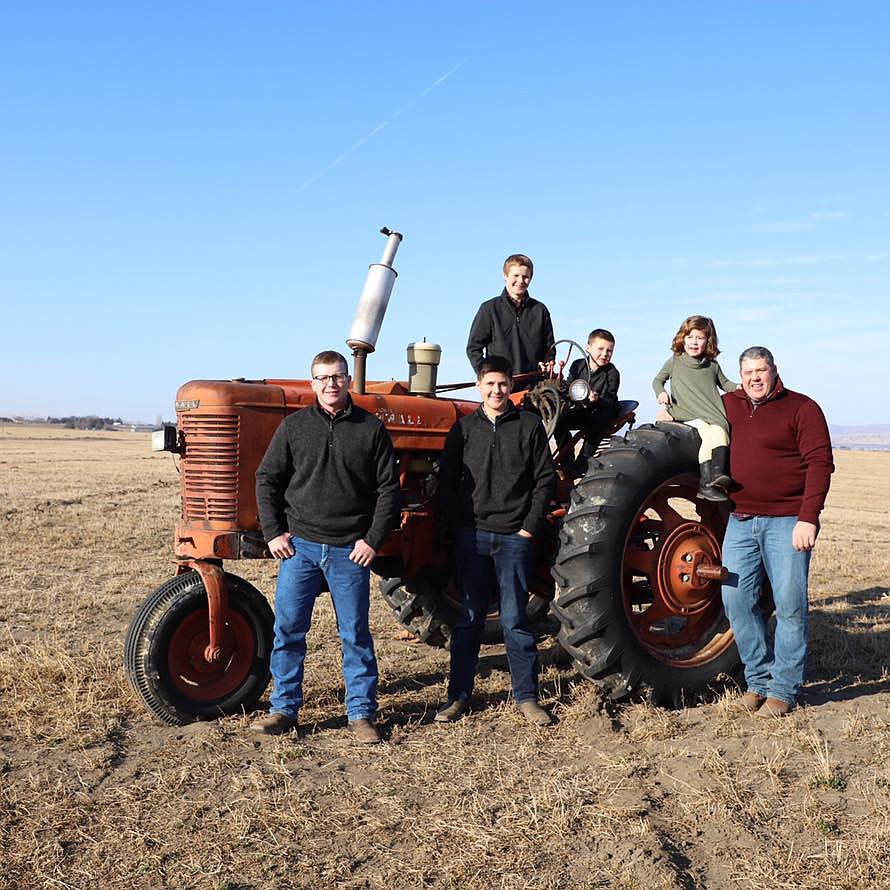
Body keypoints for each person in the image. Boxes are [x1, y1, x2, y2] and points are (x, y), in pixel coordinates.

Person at [252, 350, 400, 743]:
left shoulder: (370, 428)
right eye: (323, 377)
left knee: (354, 634)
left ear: (348, 380)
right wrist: (273, 532)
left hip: (349, 551)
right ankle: (284, 709)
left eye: (337, 377)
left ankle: (361, 714)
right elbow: (267, 478)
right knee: (288, 631)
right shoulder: (294, 427)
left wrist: (372, 540)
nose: (330, 384)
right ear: (312, 382)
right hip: (299, 547)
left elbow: (389, 489)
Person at [435, 354, 556, 726]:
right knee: (469, 618)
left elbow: (544, 479)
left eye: (502, 384)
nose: (496, 390)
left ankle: (527, 697)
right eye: (489, 384)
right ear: (479, 386)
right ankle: (458, 696)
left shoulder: (529, 426)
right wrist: (461, 527)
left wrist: (529, 527)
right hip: (474, 537)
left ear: (511, 386)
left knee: (516, 619)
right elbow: (447, 481)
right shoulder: (464, 429)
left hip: (514, 537)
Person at [720, 346, 833, 718]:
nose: (755, 378)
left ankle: (783, 689)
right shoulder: (729, 405)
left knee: (789, 605)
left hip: (787, 522)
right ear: (740, 375)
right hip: (739, 521)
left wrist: (808, 517)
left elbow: (820, 463)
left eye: (761, 370)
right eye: (749, 371)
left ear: (774, 371)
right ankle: (758, 679)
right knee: (735, 601)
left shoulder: (802, 408)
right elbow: (696, 416)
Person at [652, 315, 738, 501]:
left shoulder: (712, 365)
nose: (694, 342)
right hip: (685, 411)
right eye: (690, 337)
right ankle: (707, 482)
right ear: (683, 338)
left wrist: (740, 387)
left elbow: (726, 384)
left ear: (708, 341)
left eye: (700, 338)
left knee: (720, 431)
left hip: (710, 412)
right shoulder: (674, 361)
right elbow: (658, 380)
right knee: (707, 433)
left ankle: (715, 476)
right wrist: (661, 392)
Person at [466, 254, 555, 384]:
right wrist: (485, 375)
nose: (520, 281)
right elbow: (473, 348)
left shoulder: (540, 310)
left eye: (525, 277)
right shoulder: (489, 309)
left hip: (534, 387)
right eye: (516, 276)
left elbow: (549, 349)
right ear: (505, 276)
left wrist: (548, 363)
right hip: (501, 386)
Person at [566, 328, 621, 460]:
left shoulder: (612, 373)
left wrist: (597, 400)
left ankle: (583, 461)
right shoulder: (577, 365)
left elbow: (610, 399)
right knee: (560, 421)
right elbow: (569, 386)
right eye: (600, 349)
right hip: (582, 409)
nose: (605, 354)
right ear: (588, 348)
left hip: (602, 410)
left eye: (609, 351)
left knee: (599, 418)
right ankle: (566, 459)